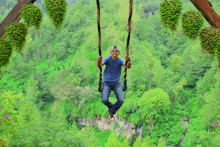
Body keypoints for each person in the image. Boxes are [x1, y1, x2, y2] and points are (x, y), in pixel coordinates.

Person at [97, 46, 131, 118]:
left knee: (121, 100)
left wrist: (129, 60)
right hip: (107, 83)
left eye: (116, 51)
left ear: (118, 53)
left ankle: (112, 110)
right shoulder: (107, 59)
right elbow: (100, 65)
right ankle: (112, 108)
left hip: (116, 83)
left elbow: (127, 66)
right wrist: (98, 60)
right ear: (110, 52)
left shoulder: (120, 60)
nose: (114, 52)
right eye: (113, 51)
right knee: (104, 100)